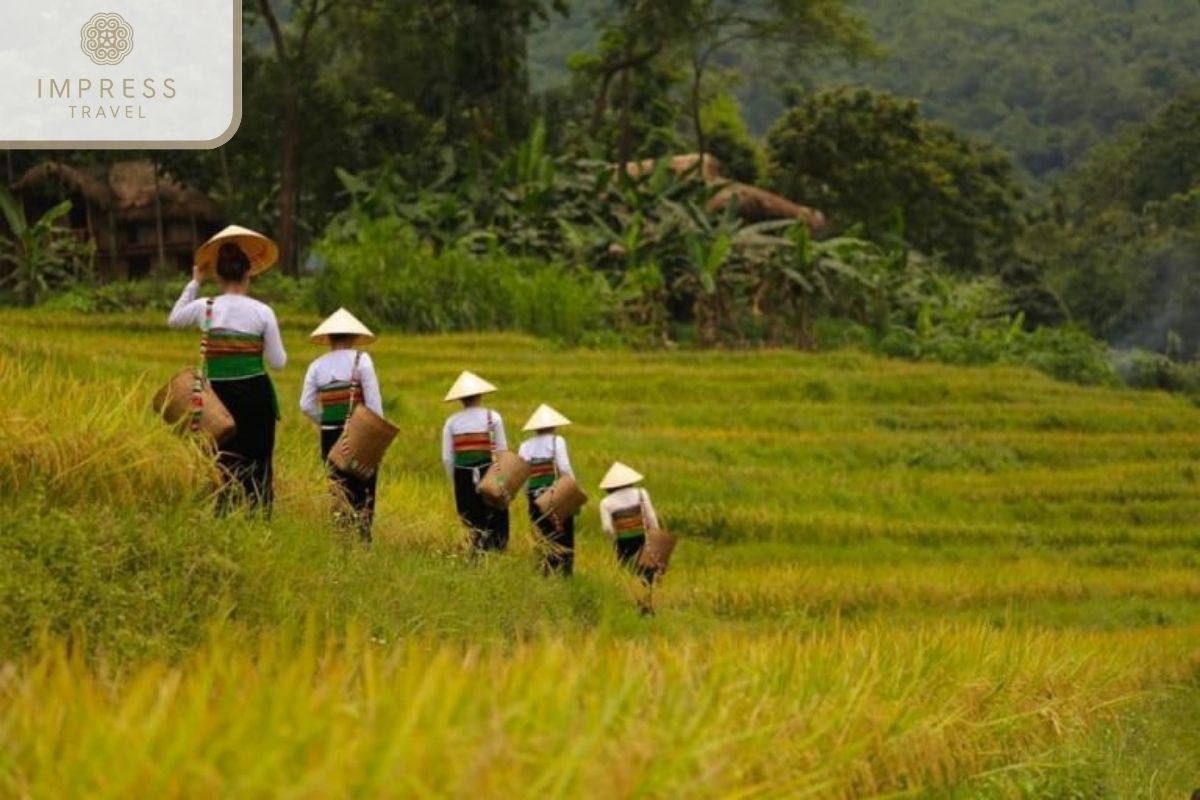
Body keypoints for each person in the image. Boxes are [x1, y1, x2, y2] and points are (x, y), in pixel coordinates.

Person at [168, 225, 286, 515]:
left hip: (217, 400)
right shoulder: (262, 312)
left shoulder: (205, 307)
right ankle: (258, 523)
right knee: (258, 465)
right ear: (248, 274)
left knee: (221, 463)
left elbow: (174, 319)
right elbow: (278, 362)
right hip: (256, 398)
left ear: (217, 275)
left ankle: (223, 517)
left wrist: (194, 282)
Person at [300, 308, 383, 543]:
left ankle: (341, 540)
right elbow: (374, 406)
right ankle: (363, 540)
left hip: (329, 436)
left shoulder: (316, 366)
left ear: (329, 338)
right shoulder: (362, 360)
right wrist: (376, 438)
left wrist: (326, 422)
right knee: (364, 489)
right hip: (361, 434)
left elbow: (305, 405)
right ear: (354, 336)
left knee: (337, 488)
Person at [441, 371, 510, 553]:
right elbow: (502, 452)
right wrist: (502, 483)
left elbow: (447, 458)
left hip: (463, 475)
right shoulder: (493, 417)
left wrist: (455, 480)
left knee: (471, 521)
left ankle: (476, 555)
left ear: (460, 399)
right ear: (480, 395)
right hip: (490, 472)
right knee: (496, 517)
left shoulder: (452, 422)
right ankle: (496, 553)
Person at [518, 404, 577, 576]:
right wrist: (572, 489)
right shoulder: (556, 441)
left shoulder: (525, 446)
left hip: (534, 497)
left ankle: (544, 572)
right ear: (554, 425)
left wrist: (528, 494)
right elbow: (564, 468)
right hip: (555, 494)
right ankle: (564, 574)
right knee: (563, 534)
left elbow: (522, 475)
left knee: (541, 534)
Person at [598, 461, 660, 615]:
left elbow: (607, 528)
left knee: (628, 575)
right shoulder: (641, 493)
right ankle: (648, 606)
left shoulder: (606, 503)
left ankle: (634, 604)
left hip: (623, 543)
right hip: (644, 539)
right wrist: (657, 537)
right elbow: (651, 518)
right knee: (647, 575)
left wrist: (614, 541)